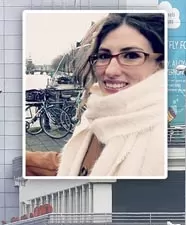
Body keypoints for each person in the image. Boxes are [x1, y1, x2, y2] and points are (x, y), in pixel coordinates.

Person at [31, 13, 167, 178]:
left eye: (131, 56)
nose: (110, 71)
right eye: (103, 56)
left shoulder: (158, 139)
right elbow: (73, 166)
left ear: (160, 64)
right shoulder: (93, 115)